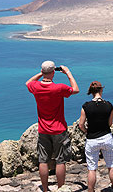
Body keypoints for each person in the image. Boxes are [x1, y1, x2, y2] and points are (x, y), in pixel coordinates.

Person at [26, 60, 79, 192]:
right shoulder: (59, 88)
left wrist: (41, 73)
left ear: (43, 72)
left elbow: (28, 82)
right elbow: (76, 90)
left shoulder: (36, 87)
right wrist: (68, 73)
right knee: (60, 160)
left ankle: (45, 189)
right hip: (59, 129)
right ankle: (60, 188)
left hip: (43, 129)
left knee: (43, 160)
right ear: (54, 72)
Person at [79, 81, 113, 192]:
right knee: (111, 166)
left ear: (91, 92)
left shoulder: (86, 106)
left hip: (92, 139)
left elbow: (81, 124)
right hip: (106, 137)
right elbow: (110, 123)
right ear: (101, 90)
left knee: (92, 169)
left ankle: (91, 190)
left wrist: (86, 131)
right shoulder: (109, 105)